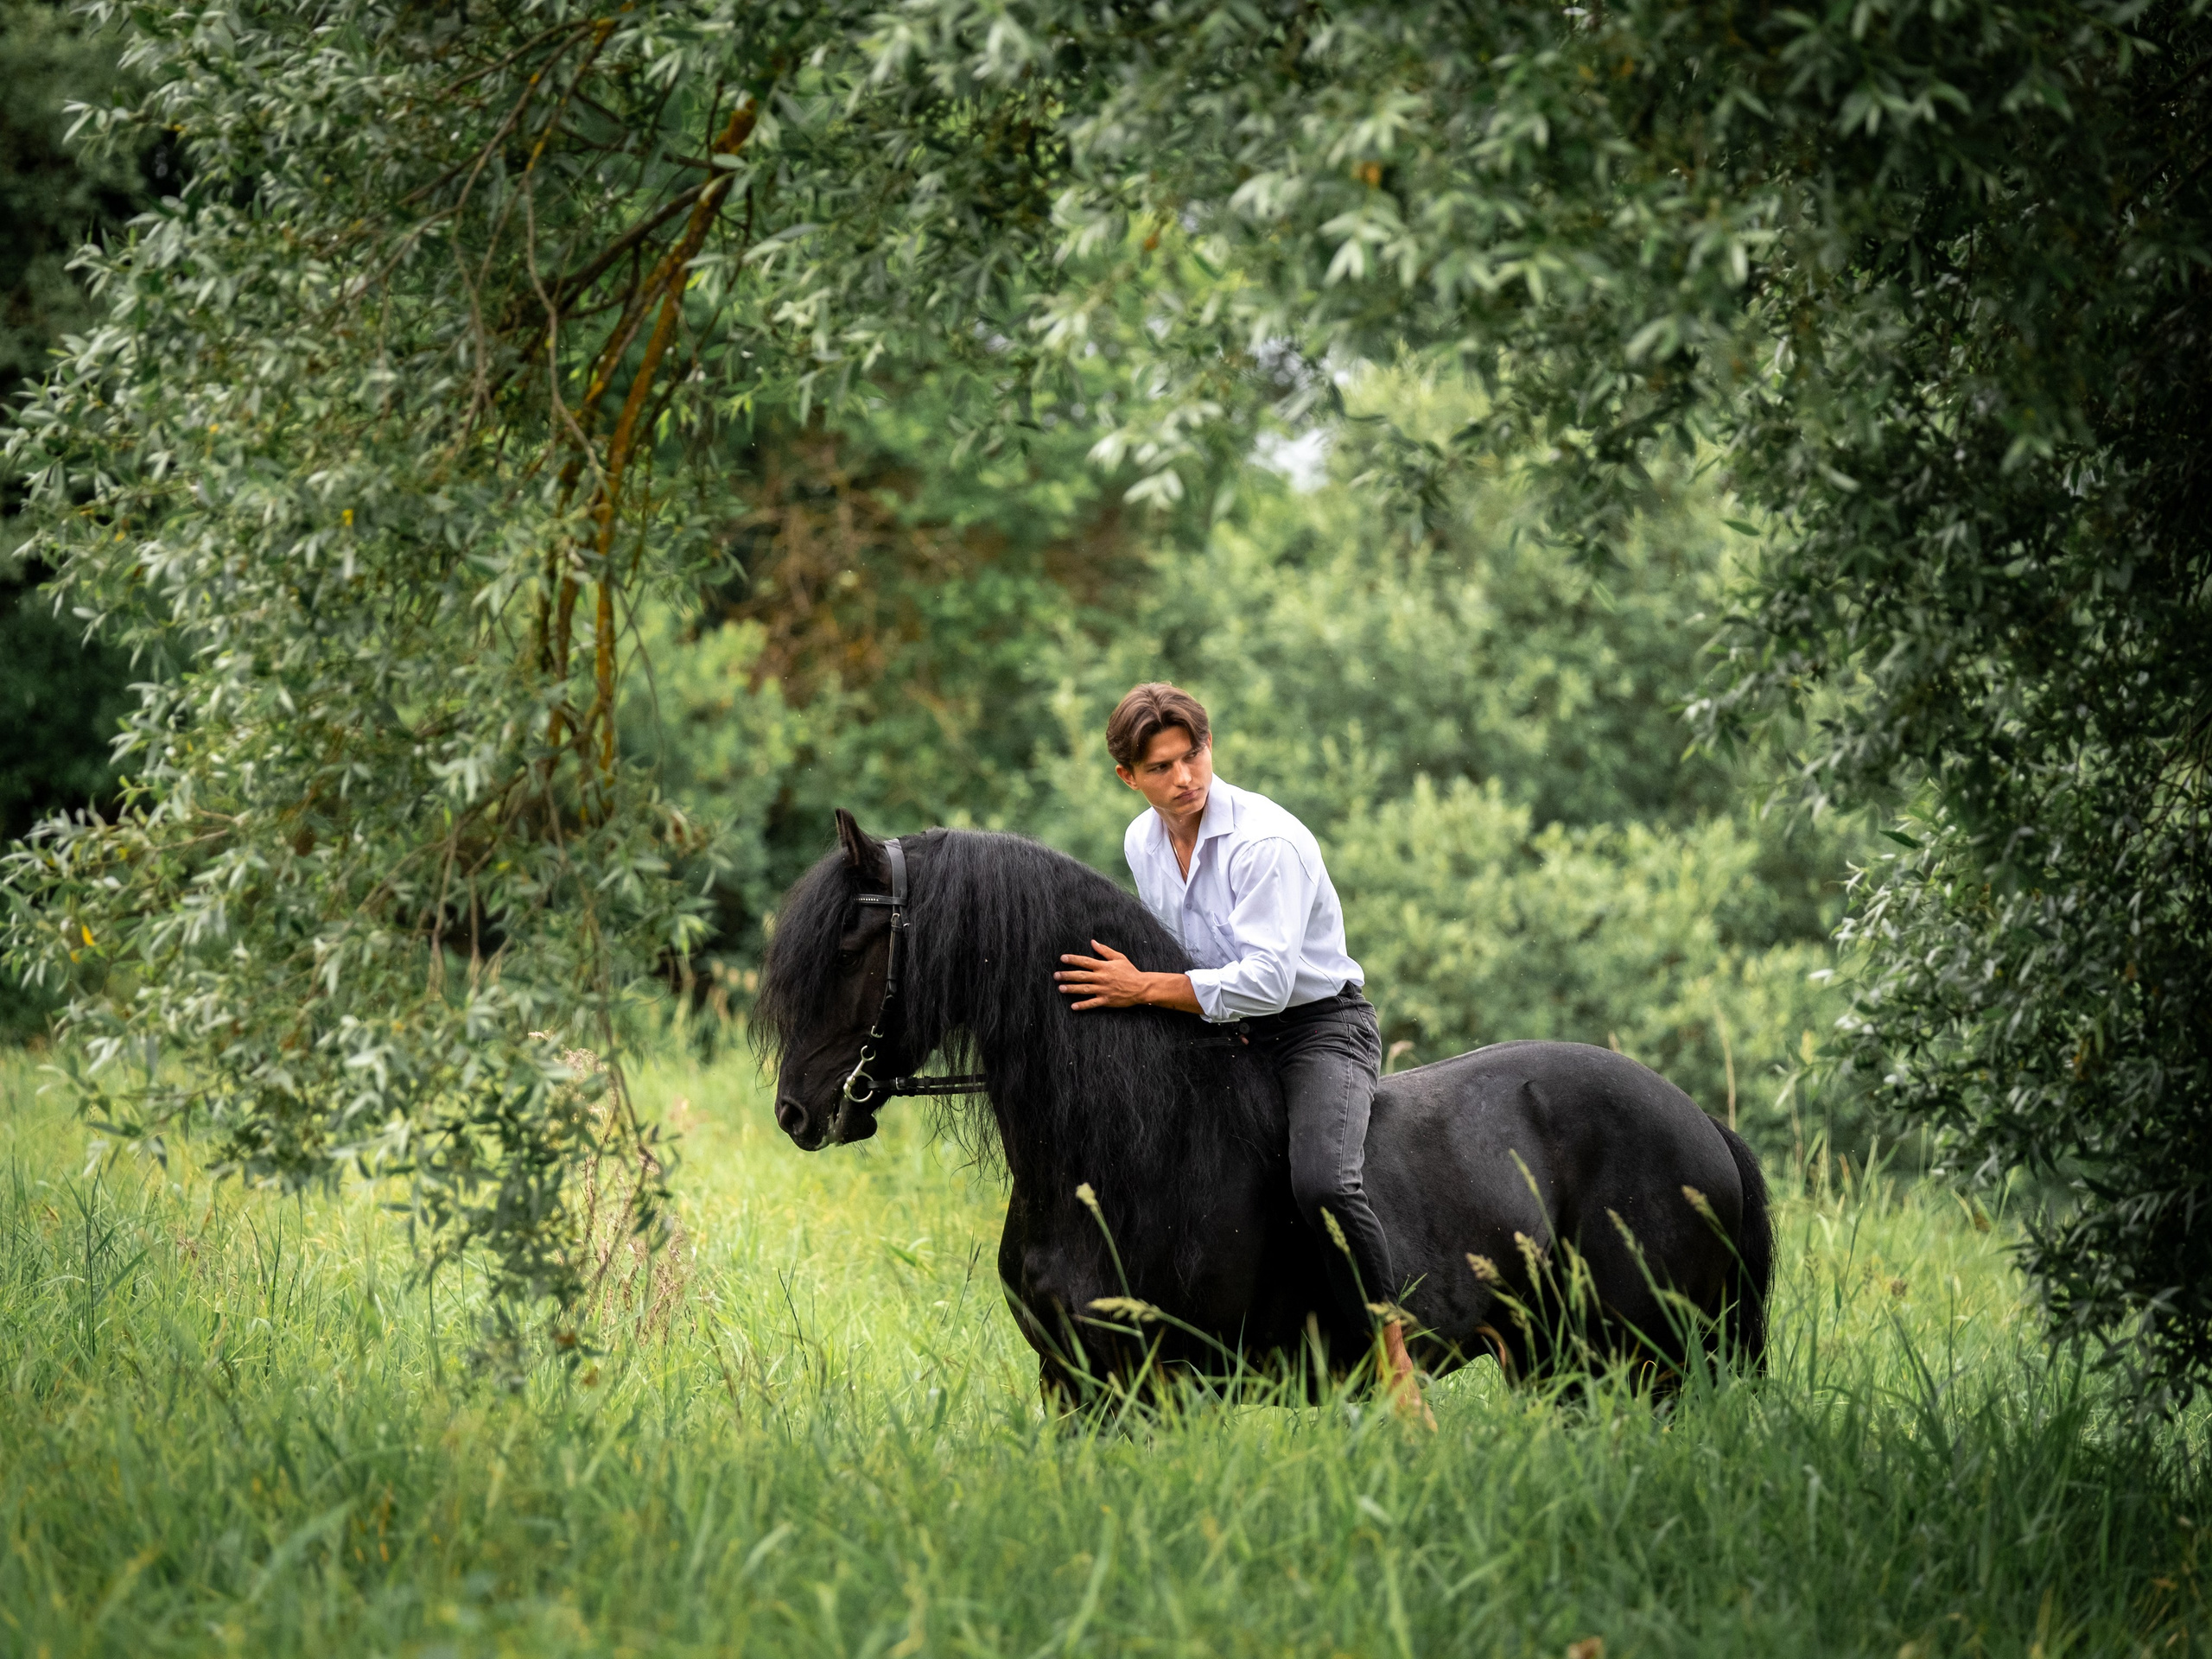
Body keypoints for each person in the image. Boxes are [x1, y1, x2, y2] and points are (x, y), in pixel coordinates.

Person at [1053, 682, 1433, 1427]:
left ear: (1208, 746)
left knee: (1323, 1182)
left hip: (1317, 1027)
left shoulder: (1267, 843)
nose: (1183, 778)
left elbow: (1265, 983)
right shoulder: (1141, 842)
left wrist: (1142, 988)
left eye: (1191, 755)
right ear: (1128, 777)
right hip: (1220, 1028)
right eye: (1160, 768)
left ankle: (1397, 1369)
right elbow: (1182, 960)